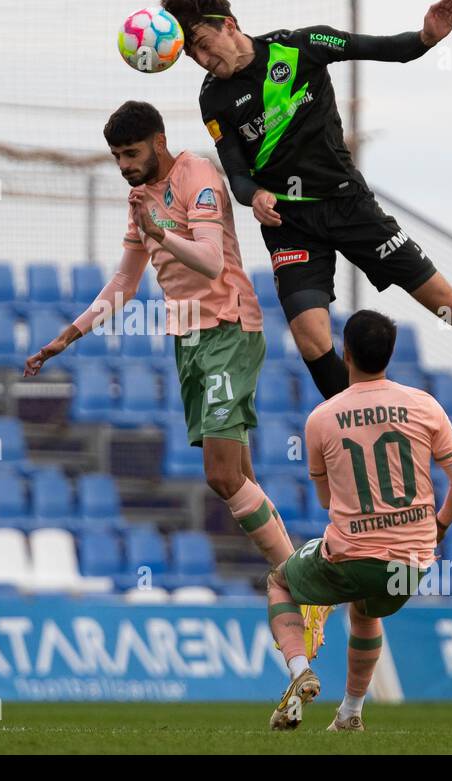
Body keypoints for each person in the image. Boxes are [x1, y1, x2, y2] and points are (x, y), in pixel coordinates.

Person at [160, 0, 452, 416]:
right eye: (191, 55)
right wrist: (254, 196)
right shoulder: (214, 99)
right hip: (291, 225)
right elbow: (237, 175)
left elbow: (389, 48)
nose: (201, 59)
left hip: (350, 206)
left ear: (229, 24)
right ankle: (358, 425)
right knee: (312, 339)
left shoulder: (303, 45)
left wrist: (426, 38)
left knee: (449, 304)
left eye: (201, 44)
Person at [26, 100, 330, 656]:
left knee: (220, 475)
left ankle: (300, 584)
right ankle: (303, 586)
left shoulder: (198, 175)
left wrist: (158, 230)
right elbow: (125, 279)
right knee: (239, 474)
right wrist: (69, 335)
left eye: (131, 153)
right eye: (116, 156)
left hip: (229, 328)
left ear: (158, 142)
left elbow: (213, 261)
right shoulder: (139, 200)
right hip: (189, 341)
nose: (123, 165)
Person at [263, 309, 452, 732]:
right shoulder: (424, 405)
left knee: (279, 582)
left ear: (345, 353)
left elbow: (326, 499)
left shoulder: (322, 417)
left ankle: (300, 670)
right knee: (365, 611)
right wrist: (439, 527)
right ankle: (350, 713)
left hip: (350, 556)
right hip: (411, 567)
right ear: (391, 354)